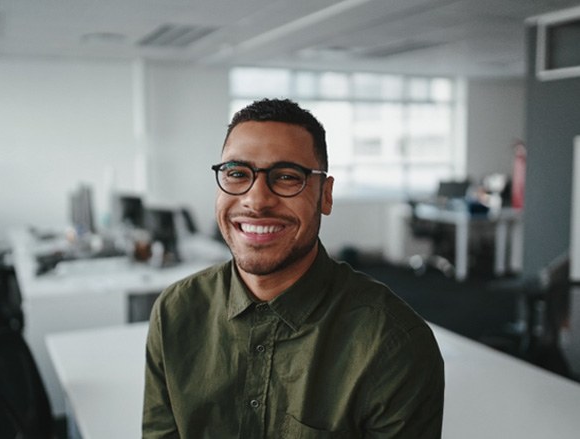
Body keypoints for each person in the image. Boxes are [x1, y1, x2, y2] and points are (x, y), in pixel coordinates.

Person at [143, 98, 444, 438]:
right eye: (238, 174)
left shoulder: (392, 342)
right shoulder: (175, 312)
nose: (256, 200)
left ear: (325, 195)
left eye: (287, 177)